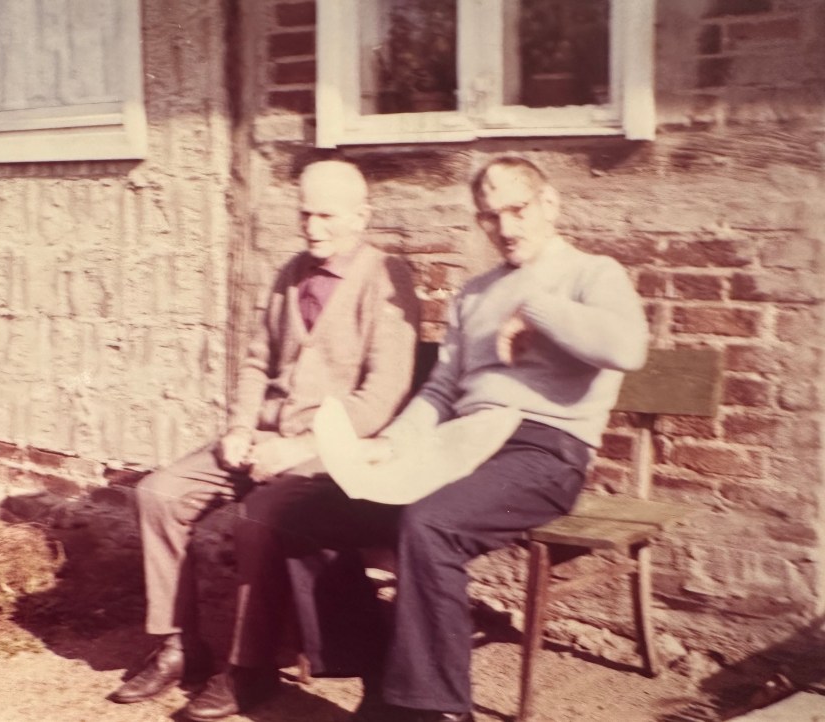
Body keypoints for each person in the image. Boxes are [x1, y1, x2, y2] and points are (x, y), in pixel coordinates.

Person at [227, 155, 649, 722]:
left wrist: (537, 309)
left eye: (517, 209)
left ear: (549, 204)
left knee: (429, 525)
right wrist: (391, 444)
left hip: (543, 451)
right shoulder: (474, 294)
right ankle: (382, 677)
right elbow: (443, 390)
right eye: (489, 216)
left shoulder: (592, 274)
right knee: (308, 515)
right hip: (461, 444)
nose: (505, 228)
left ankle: (436, 710)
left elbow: (628, 349)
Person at [110, 160, 420, 717]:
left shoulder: (386, 278)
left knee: (260, 519)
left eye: (327, 216)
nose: (312, 227)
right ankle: (178, 645)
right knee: (159, 493)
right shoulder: (291, 273)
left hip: (331, 451)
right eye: (305, 214)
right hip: (264, 434)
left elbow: (383, 396)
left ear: (361, 216)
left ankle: (249, 669)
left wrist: (302, 447)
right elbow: (256, 362)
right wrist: (238, 426)